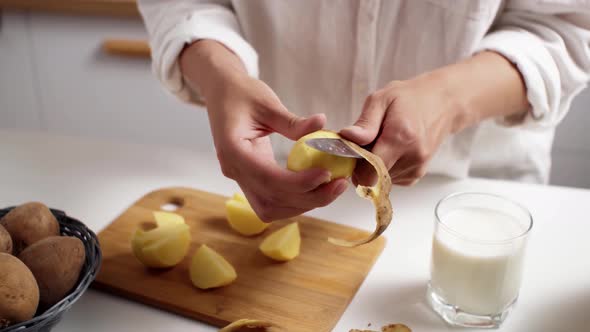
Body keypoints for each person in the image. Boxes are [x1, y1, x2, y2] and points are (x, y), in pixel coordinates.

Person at [137, 0, 590, 221]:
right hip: (278, 181)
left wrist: (449, 100)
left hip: (476, 196)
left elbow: (565, 27)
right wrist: (222, 77)